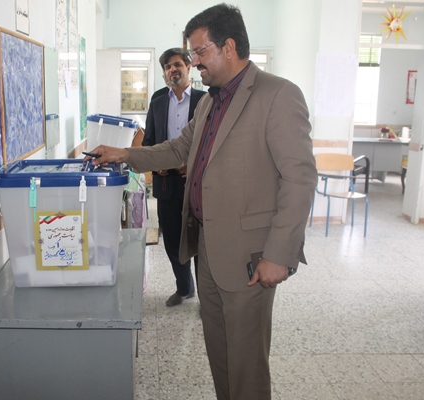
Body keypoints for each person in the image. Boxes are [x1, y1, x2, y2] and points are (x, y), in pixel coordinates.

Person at [85, 3, 317, 399]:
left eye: (199, 52)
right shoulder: (211, 101)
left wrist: (279, 254)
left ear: (229, 47)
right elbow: (177, 149)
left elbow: (300, 178)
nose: (193, 62)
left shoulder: (277, 95)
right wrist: (124, 154)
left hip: (250, 256)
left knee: (246, 362)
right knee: (220, 353)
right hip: (207, 248)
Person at [143, 48, 206, 307]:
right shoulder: (158, 103)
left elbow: (213, 143)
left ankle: (206, 299)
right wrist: (155, 163)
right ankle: (184, 288)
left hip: (198, 185)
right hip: (166, 184)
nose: (173, 70)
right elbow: (148, 142)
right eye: (168, 66)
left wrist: (193, 164)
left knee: (201, 243)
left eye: (177, 64)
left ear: (188, 68)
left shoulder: (205, 100)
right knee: (171, 240)